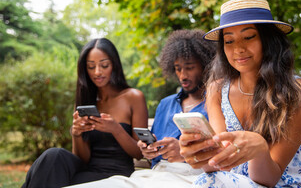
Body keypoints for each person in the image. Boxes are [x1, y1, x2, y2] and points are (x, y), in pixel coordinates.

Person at [179, 0, 301, 187]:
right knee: (207, 179)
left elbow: (268, 179)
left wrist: (259, 149)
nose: (238, 49)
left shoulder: (299, 92)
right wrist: (199, 153)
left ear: (269, 40)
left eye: (249, 37)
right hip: (238, 183)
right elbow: (219, 164)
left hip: (290, 184)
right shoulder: (216, 89)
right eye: (229, 41)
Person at [65, 29, 216, 188]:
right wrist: (148, 150)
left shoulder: (216, 103)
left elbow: (223, 152)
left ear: (205, 66)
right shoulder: (166, 105)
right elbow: (151, 151)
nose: (182, 75)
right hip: (154, 175)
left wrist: (185, 153)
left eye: (190, 67)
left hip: (194, 176)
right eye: (177, 68)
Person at [22, 38, 148, 188]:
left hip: (116, 174)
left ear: (114, 64)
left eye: (104, 65)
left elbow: (139, 153)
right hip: (87, 171)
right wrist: (76, 134)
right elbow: (82, 158)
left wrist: (115, 129)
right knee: (53, 155)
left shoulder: (133, 97)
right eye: (90, 66)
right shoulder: (85, 101)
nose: (97, 72)